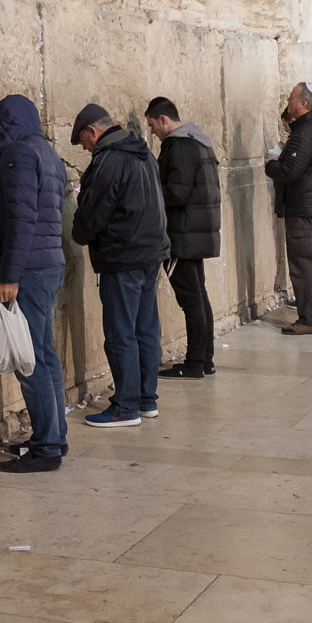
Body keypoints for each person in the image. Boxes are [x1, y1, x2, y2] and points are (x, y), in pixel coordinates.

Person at [0, 95, 69, 475]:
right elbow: (37, 206)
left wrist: (9, 274)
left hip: (29, 269)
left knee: (30, 362)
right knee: (43, 354)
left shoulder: (18, 157)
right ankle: (54, 435)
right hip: (49, 263)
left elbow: (23, 219)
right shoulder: (45, 153)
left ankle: (46, 448)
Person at [70, 104, 170, 428]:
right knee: (145, 330)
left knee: (120, 334)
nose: (87, 149)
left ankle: (125, 406)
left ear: (92, 132)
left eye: (85, 142)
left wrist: (78, 231)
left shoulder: (108, 160)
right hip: (150, 254)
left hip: (121, 256)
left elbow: (91, 216)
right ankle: (145, 399)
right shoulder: (143, 153)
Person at [144, 96, 221, 379]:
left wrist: (149, 192)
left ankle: (194, 363)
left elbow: (176, 193)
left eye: (153, 125)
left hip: (182, 235)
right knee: (199, 297)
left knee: (191, 300)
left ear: (164, 119)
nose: (153, 132)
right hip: (197, 233)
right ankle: (204, 360)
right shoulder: (199, 142)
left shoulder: (178, 146)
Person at [264, 82, 312, 335]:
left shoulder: (304, 131)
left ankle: (310, 320)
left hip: (303, 206)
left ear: (303, 103)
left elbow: (290, 171)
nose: (288, 101)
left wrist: (270, 165)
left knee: (303, 264)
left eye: (292, 97)